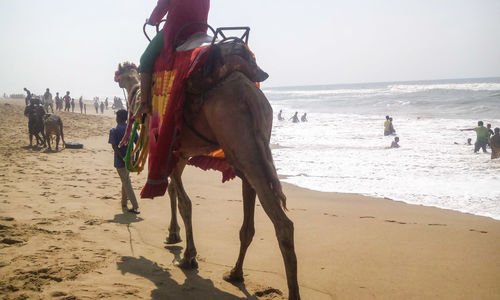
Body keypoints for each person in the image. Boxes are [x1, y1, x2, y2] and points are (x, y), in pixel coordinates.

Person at [135, 0, 211, 117]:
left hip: (177, 29)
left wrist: (152, 20)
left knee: (145, 59)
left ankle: (144, 103)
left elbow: (162, 5)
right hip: (200, 30)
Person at [109, 109, 140, 214]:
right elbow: (138, 144)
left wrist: (122, 157)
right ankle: (123, 203)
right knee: (125, 180)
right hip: (130, 160)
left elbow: (114, 146)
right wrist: (136, 158)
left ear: (118, 118)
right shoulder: (131, 130)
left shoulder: (114, 130)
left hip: (120, 161)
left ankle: (135, 206)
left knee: (126, 182)